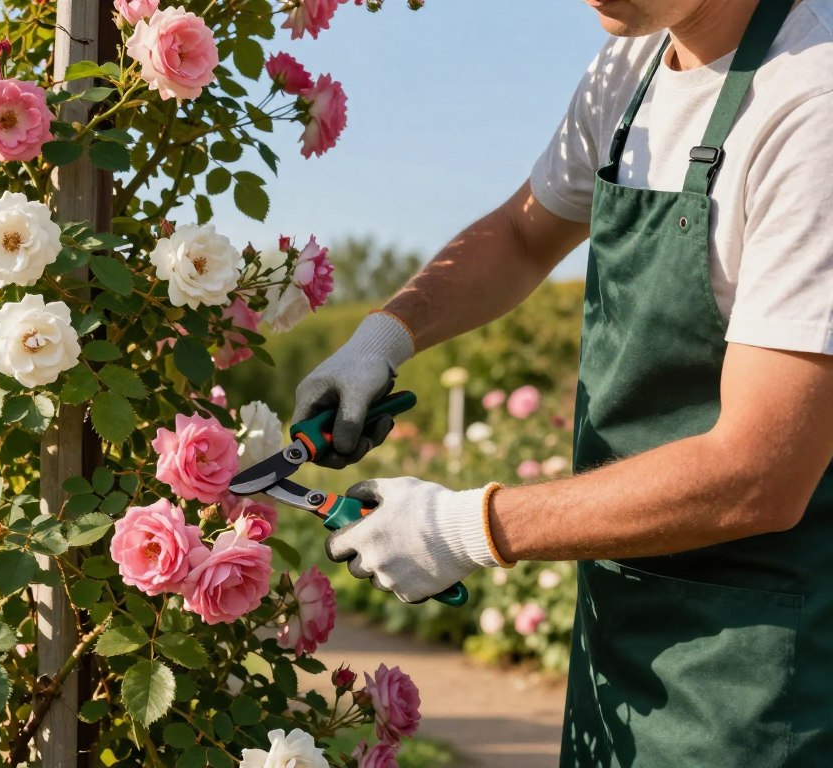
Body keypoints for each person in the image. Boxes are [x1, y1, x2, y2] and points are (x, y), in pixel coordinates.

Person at [294, 0, 833, 764]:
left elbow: (763, 470)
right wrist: (381, 338)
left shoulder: (811, 103)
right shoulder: (633, 65)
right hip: (619, 647)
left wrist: (467, 528)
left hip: (762, 679)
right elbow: (521, 234)